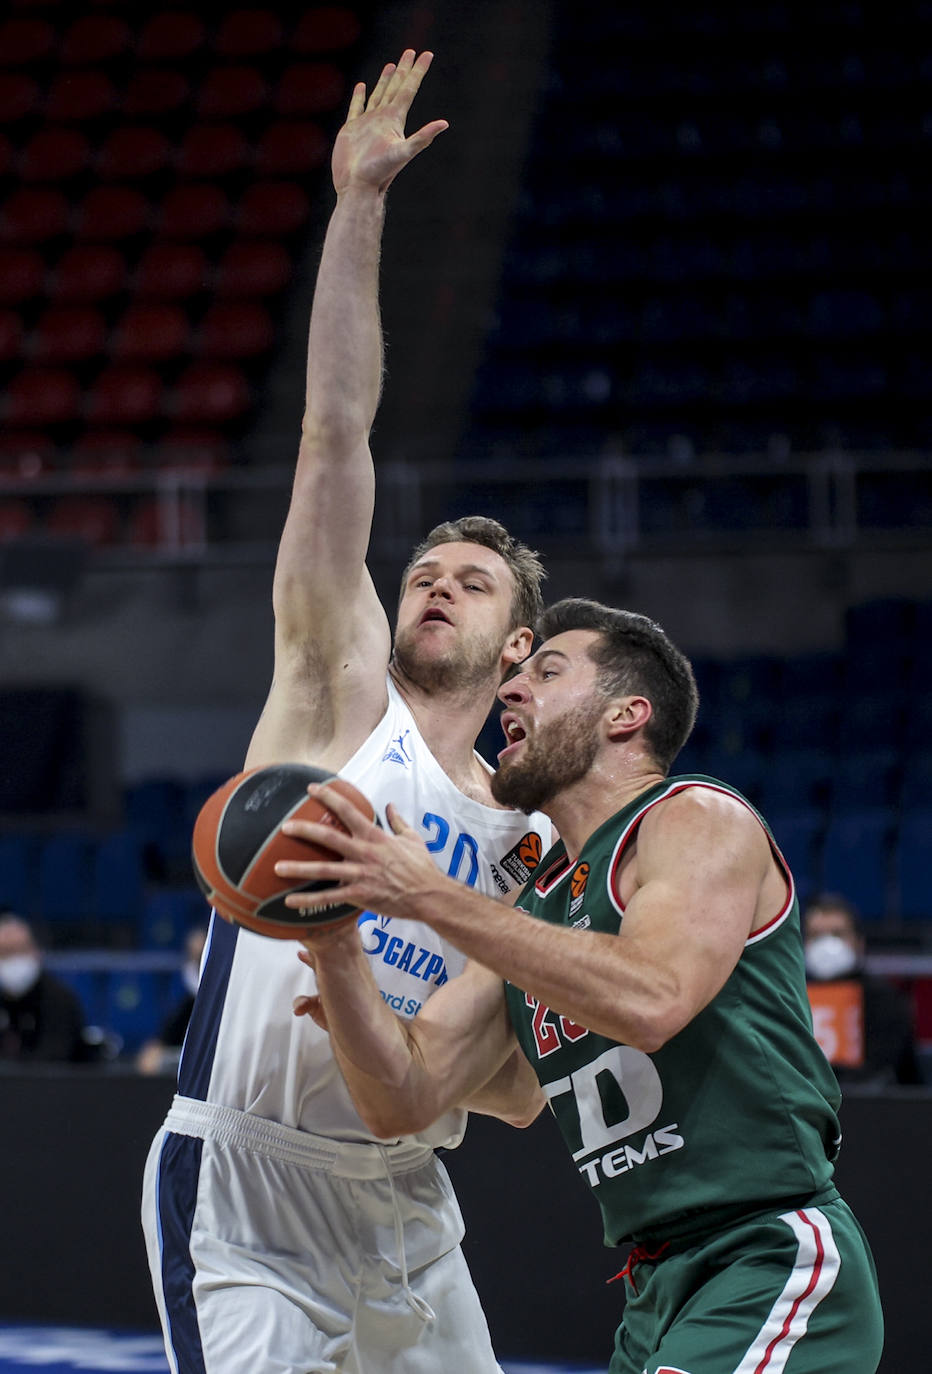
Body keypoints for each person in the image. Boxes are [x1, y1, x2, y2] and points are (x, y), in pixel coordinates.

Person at [141, 50, 553, 1374]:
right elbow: (334, 430)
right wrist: (360, 208)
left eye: (471, 580)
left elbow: (517, 1091)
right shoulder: (337, 693)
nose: (435, 581)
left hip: (407, 1203)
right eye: (424, 568)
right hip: (248, 1185)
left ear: (520, 650)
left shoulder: (531, 841)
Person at [280, 598, 885, 1374]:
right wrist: (336, 948)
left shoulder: (693, 819)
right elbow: (406, 1095)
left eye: (548, 671)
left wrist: (427, 893)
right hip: (652, 1286)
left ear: (626, 715)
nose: (511, 690)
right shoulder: (530, 906)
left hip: (765, 1253)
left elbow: (652, 998)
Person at [804, 891, 922, 1087]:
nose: (826, 944)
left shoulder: (887, 1000)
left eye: (837, 934)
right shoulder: (790, 996)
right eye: (816, 935)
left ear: (859, 942)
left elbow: (885, 1071)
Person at [0, 911, 87, 1063]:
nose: (13, 960)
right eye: (6, 953)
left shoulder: (60, 1000)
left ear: (36, 952)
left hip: (55, 1085)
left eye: (20, 950)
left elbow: (57, 1058)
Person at [136, 926, 207, 1076]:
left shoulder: (223, 997)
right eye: (196, 955)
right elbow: (152, 1054)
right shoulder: (182, 995)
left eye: (203, 954)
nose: (199, 957)